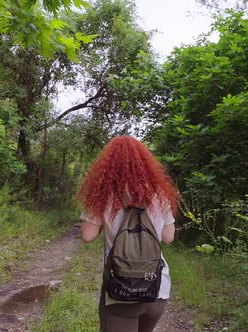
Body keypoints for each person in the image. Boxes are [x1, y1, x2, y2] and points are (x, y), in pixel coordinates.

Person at [77, 135, 181, 332]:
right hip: (156, 288)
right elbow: (168, 237)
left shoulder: (103, 196)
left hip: (120, 290)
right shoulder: (160, 195)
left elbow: (87, 236)